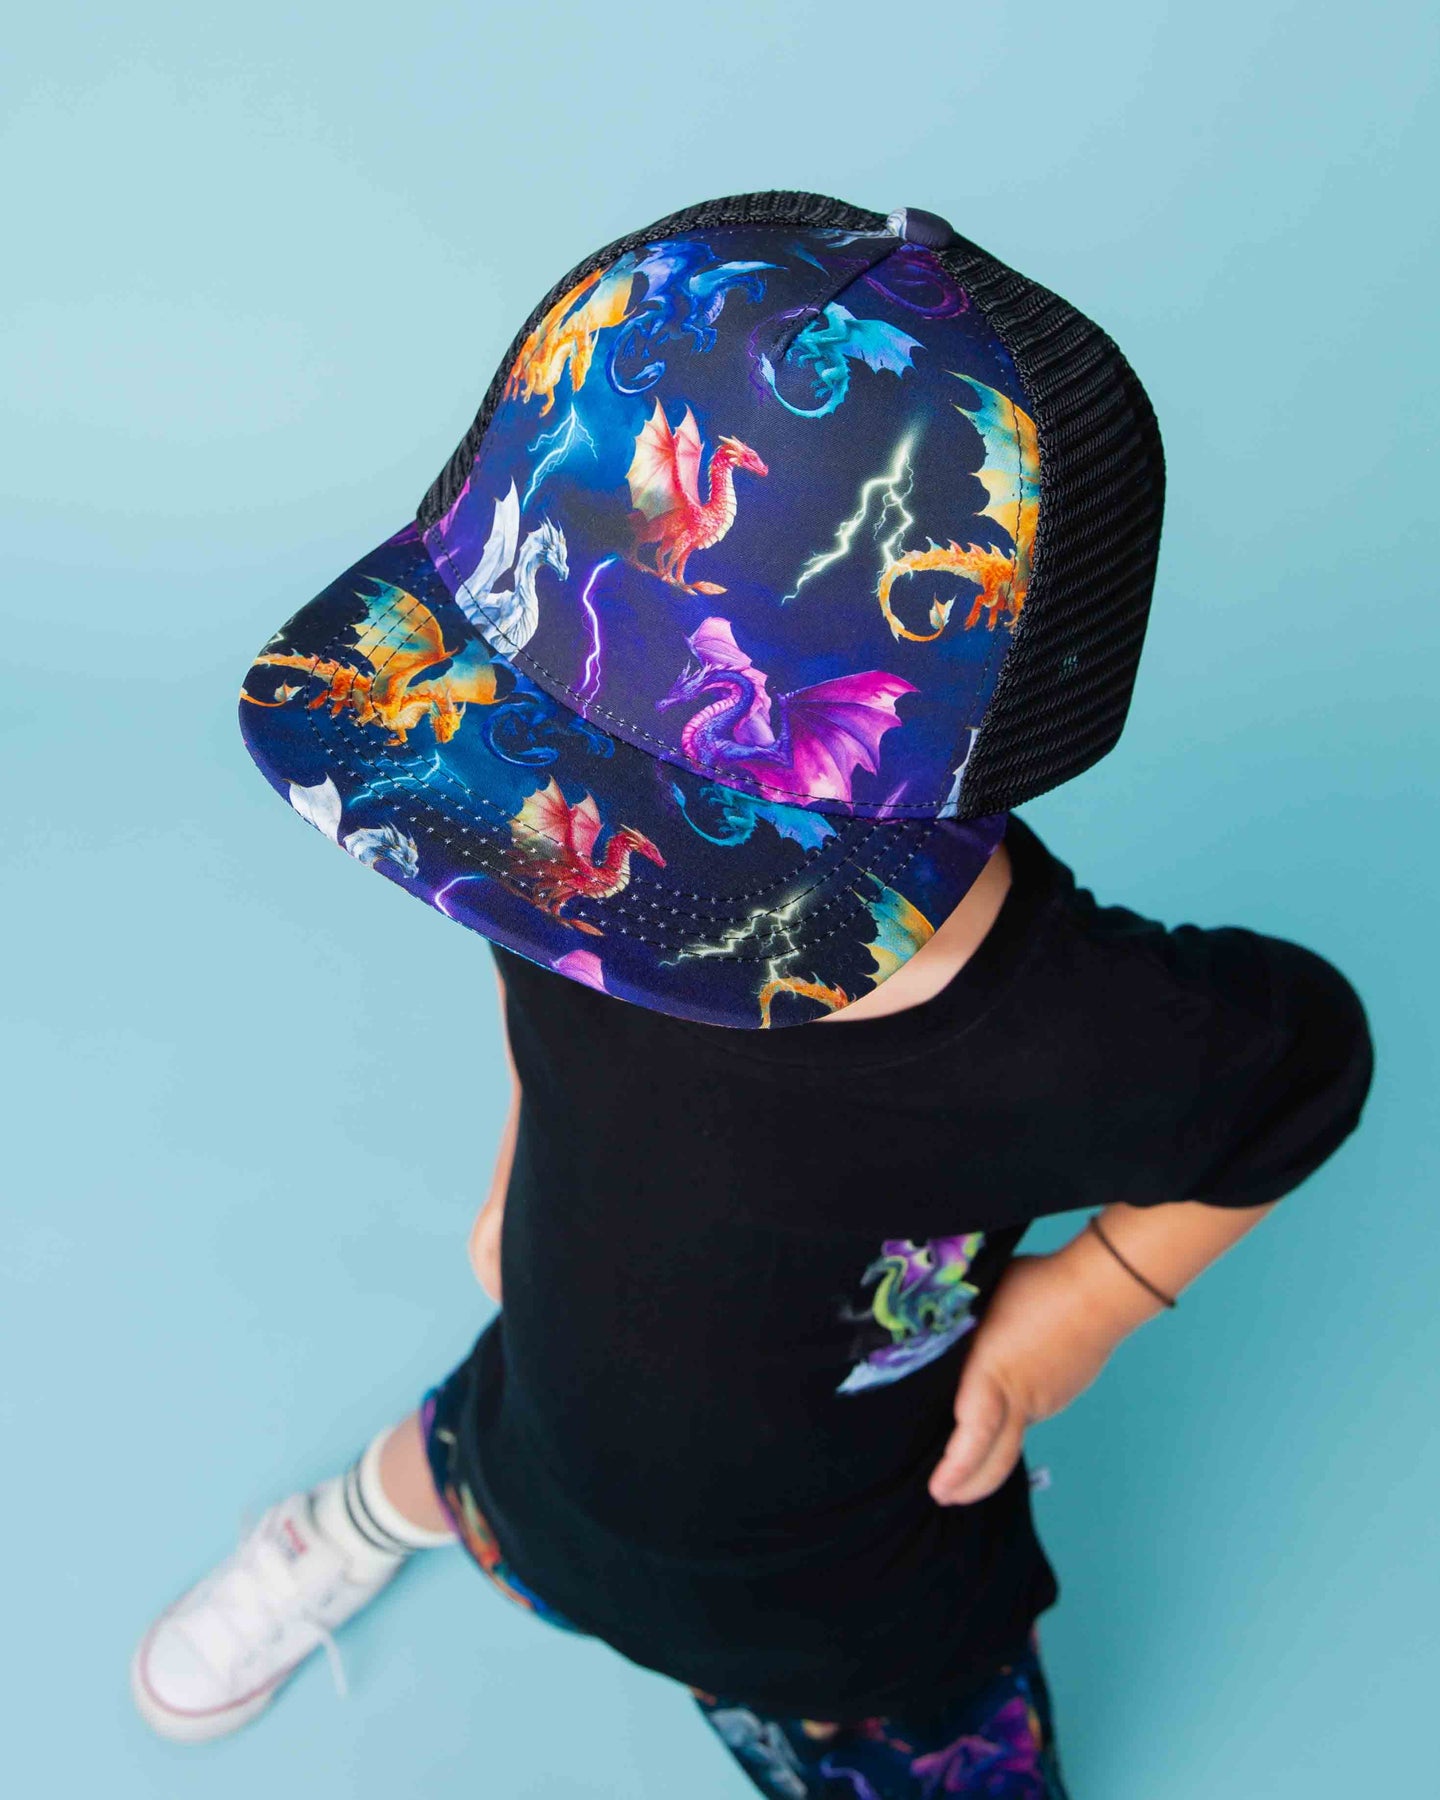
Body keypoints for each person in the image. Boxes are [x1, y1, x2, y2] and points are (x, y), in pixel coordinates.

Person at [132, 193, 1374, 1797]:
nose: (569, 854)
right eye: (533, 764)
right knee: (483, 1456)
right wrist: (519, 1154)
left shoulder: (1074, 1032)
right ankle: (363, 1514)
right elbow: (528, 944)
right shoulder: (543, 823)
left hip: (848, 1603)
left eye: (625, 808)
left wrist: (1092, 1300)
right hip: (541, 1425)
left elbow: (1306, 1064)